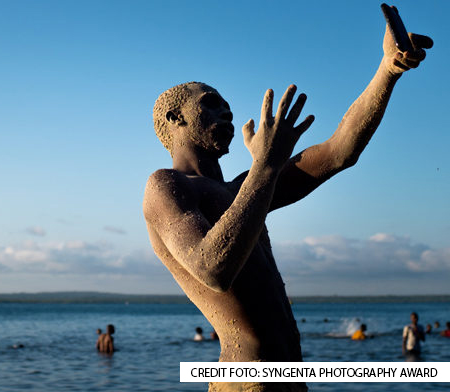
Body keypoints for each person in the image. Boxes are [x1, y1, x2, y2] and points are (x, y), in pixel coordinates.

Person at [142, 11, 432, 392]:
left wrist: (387, 71)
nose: (225, 111)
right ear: (175, 117)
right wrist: (265, 166)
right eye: (211, 103)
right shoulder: (165, 185)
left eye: (227, 106)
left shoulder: (243, 189)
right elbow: (212, 269)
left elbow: (338, 151)